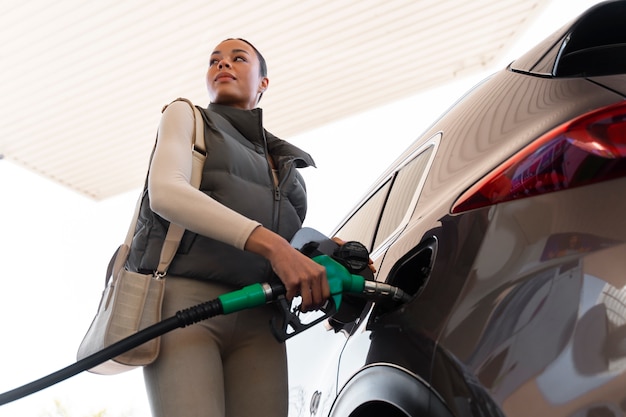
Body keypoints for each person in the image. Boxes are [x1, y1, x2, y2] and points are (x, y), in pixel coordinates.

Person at [127, 38, 330, 417]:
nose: (223, 64)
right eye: (214, 61)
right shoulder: (186, 117)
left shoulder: (287, 169)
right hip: (187, 305)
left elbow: (291, 249)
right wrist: (274, 246)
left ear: (263, 83)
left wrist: (330, 255)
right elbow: (167, 192)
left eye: (238, 58)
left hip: (261, 317)